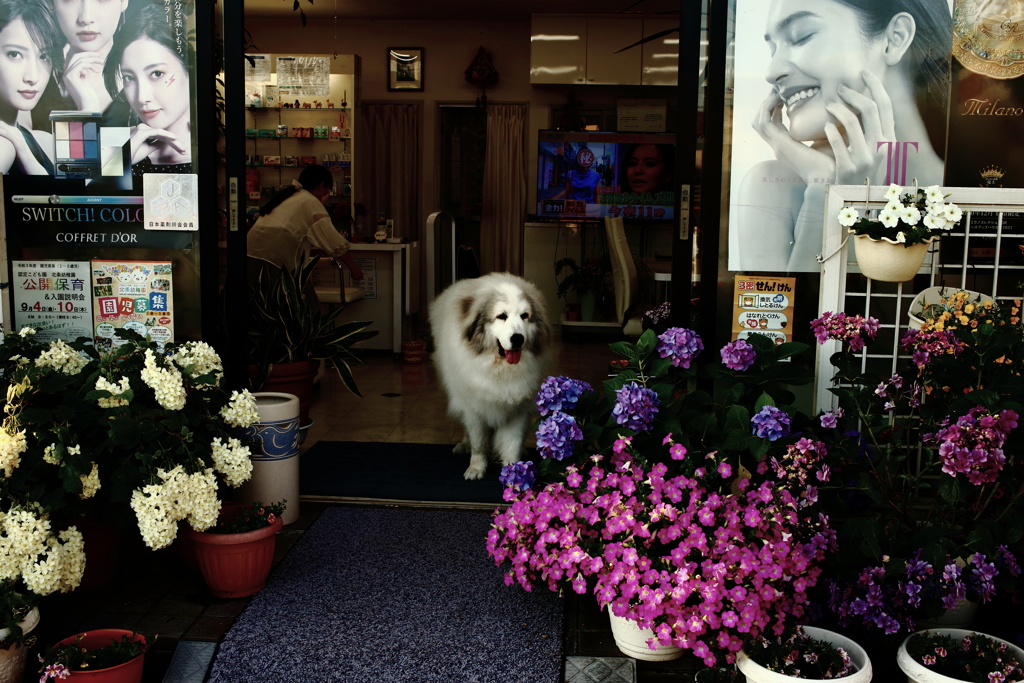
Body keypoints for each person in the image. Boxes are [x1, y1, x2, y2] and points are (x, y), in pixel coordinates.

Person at [734, 0, 951, 272]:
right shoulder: (772, 186)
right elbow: (781, 312)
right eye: (773, 48)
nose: (772, 72)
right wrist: (823, 189)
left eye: (801, 37)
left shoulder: (963, 191)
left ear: (894, 39)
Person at [102, 2, 190, 174]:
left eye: (157, 73)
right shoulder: (117, 144)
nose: (141, 97)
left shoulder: (210, 148)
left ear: (188, 69)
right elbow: (85, 197)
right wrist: (124, 157)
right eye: (129, 78)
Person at [247, 164, 365, 284]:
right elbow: (334, 243)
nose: (326, 194)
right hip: (273, 264)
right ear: (321, 185)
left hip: (249, 260)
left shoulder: (290, 196)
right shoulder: (310, 201)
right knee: (302, 299)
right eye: (327, 189)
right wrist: (354, 269)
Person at [0, 0, 63, 175]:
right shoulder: (3, 147)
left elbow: (91, 192)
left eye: (44, 56)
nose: (33, 77)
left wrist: (87, 103)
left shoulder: (42, 141)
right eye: (14, 54)